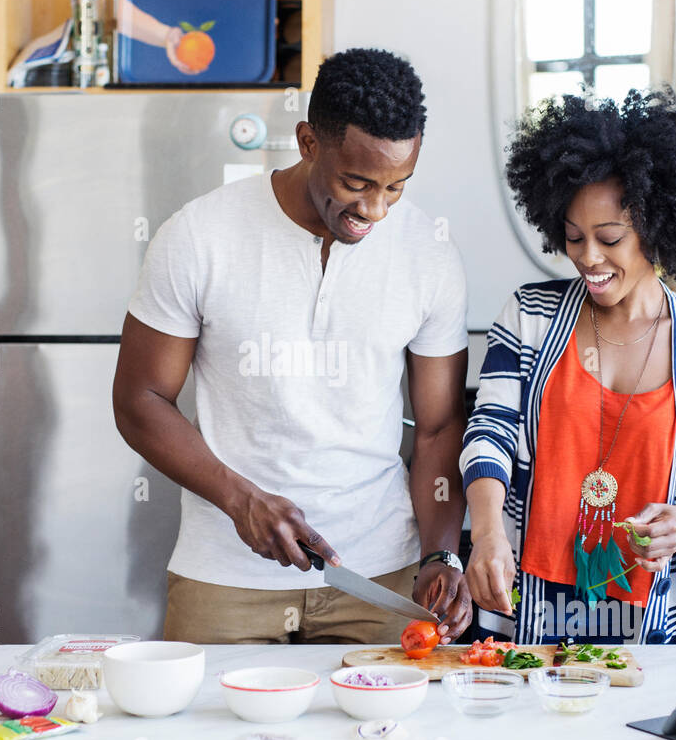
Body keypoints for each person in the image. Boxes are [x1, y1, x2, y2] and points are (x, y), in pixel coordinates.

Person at [113, 48, 473, 645]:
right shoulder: (200, 235)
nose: (375, 210)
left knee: (381, 738)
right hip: (225, 580)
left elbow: (437, 428)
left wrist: (441, 556)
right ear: (308, 142)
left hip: (381, 575)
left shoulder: (429, 253)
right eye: (356, 183)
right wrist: (241, 500)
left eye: (396, 188)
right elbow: (140, 399)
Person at [461, 88, 676, 645]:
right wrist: (488, 533)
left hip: (658, 610)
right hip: (529, 600)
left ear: (661, 227)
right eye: (573, 237)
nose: (587, 257)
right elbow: (488, 433)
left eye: (610, 238)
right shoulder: (530, 315)